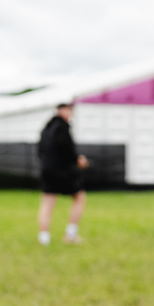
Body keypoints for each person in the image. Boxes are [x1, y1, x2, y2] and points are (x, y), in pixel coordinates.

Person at [36, 102, 89, 245]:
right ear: (63, 110)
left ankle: (44, 239)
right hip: (63, 172)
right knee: (79, 198)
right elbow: (66, 149)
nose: (70, 113)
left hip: (47, 170)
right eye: (69, 110)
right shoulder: (63, 127)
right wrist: (78, 160)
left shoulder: (46, 128)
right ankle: (70, 235)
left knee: (47, 203)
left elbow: (40, 150)